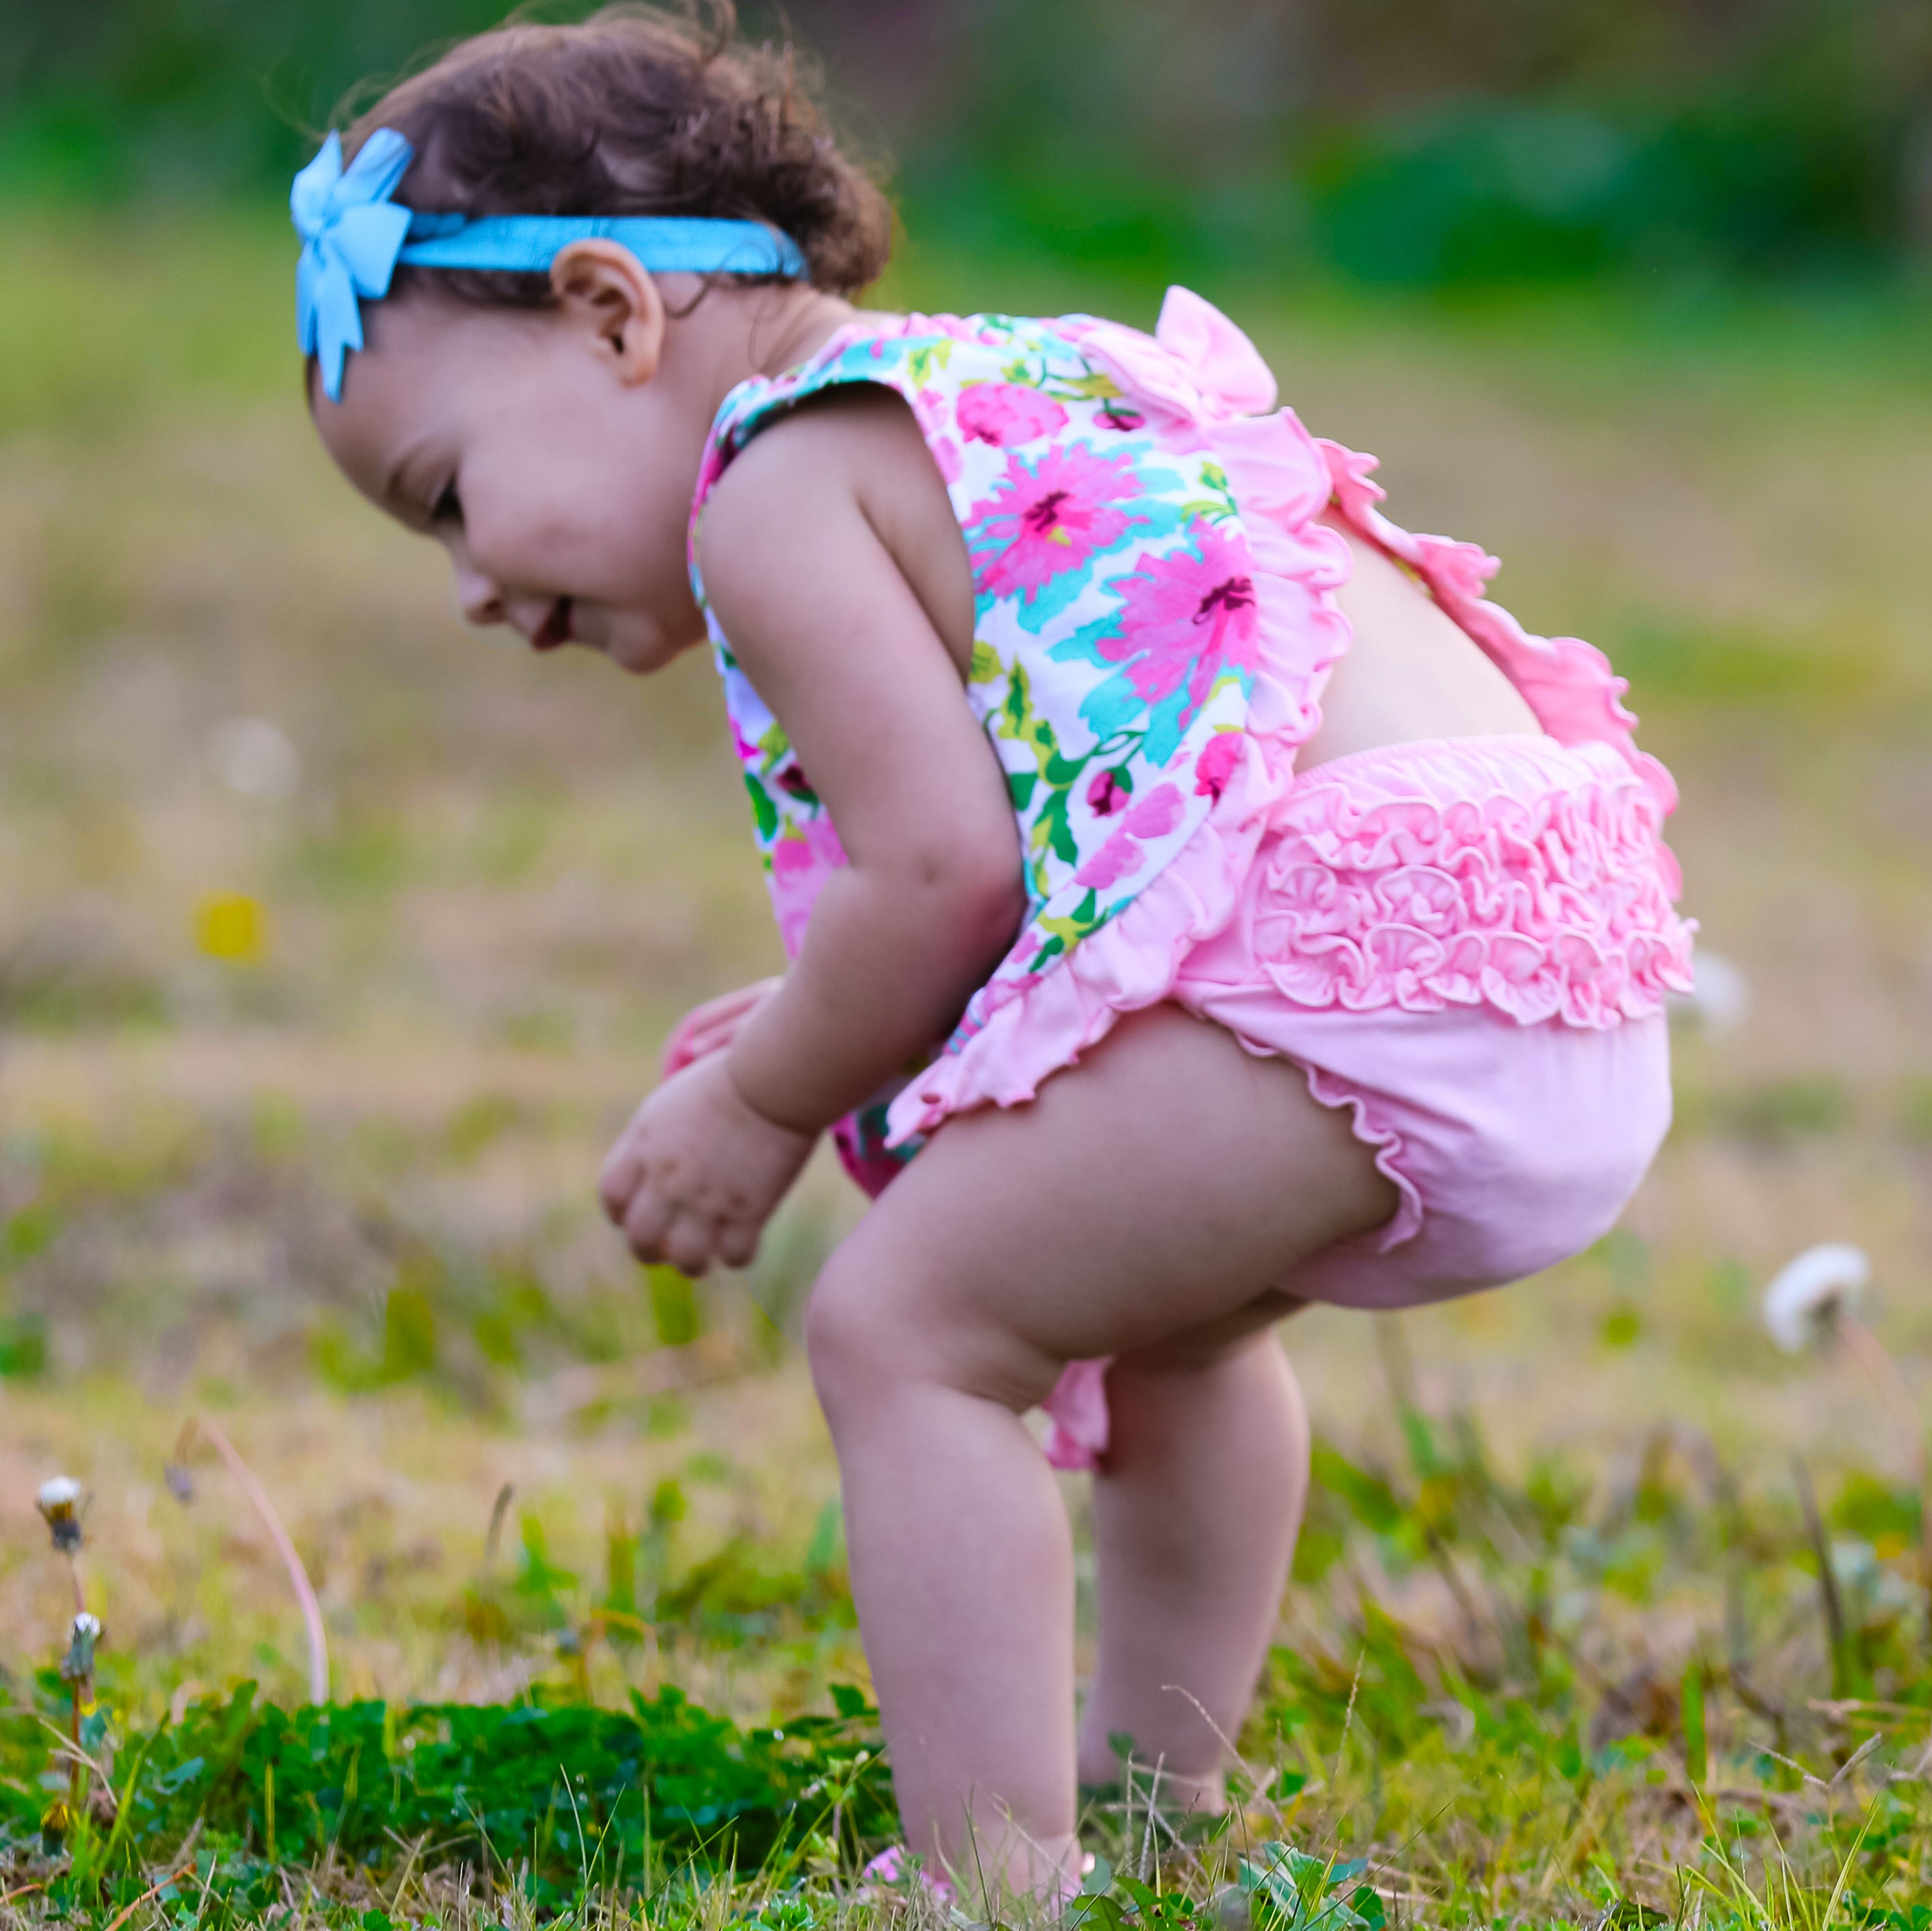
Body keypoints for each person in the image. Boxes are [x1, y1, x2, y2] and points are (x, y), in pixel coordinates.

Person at [296, 3, 1693, 1901]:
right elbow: (1089, 827)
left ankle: (992, 1871)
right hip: (1559, 961)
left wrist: (761, 1093)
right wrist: (828, 1022)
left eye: (445, 491)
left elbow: (935, 876)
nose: (468, 585)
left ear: (616, 315)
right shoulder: (1011, 379)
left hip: (1355, 963)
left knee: (908, 1326)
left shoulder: (778, 483)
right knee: (1162, 1326)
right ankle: (1144, 1806)